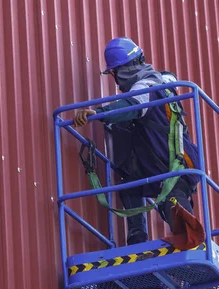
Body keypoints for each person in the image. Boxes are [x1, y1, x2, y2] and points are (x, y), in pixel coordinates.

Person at [73, 37, 200, 245]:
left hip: (173, 168)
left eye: (114, 74)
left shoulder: (149, 84)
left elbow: (134, 105)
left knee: (173, 198)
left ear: (120, 71)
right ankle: (137, 238)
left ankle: (190, 241)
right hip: (155, 167)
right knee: (130, 183)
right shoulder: (153, 84)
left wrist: (98, 112)